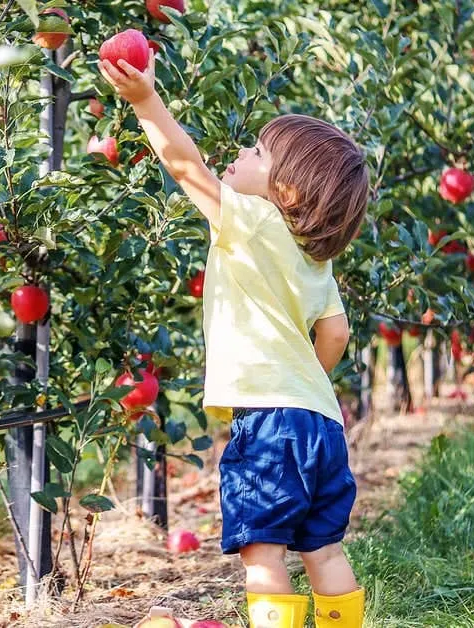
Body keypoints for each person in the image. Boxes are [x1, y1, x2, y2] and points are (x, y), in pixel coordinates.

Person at [102, 48, 369, 628]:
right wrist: (307, 379)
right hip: (321, 421)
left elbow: (187, 169)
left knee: (263, 550)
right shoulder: (315, 259)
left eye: (256, 152)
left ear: (289, 193)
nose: (241, 154)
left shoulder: (253, 220)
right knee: (323, 548)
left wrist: (146, 101)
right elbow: (336, 330)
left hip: (270, 419)